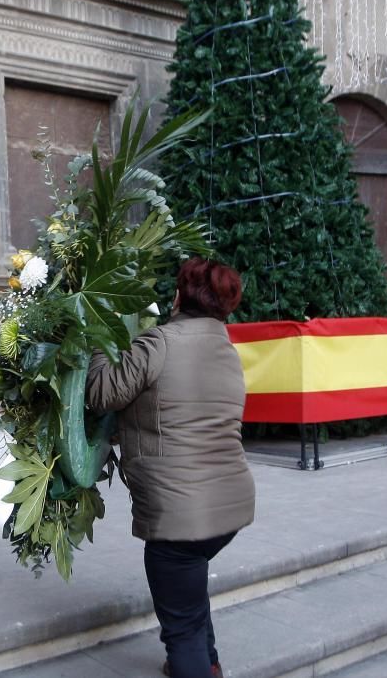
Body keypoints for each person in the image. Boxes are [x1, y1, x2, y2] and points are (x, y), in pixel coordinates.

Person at [85, 257, 256, 678]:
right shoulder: (227, 350)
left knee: (180, 626)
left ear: (180, 296)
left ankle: (196, 664)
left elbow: (102, 393)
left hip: (180, 515)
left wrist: (95, 342)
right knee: (188, 594)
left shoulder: (159, 343)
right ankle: (209, 662)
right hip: (229, 507)